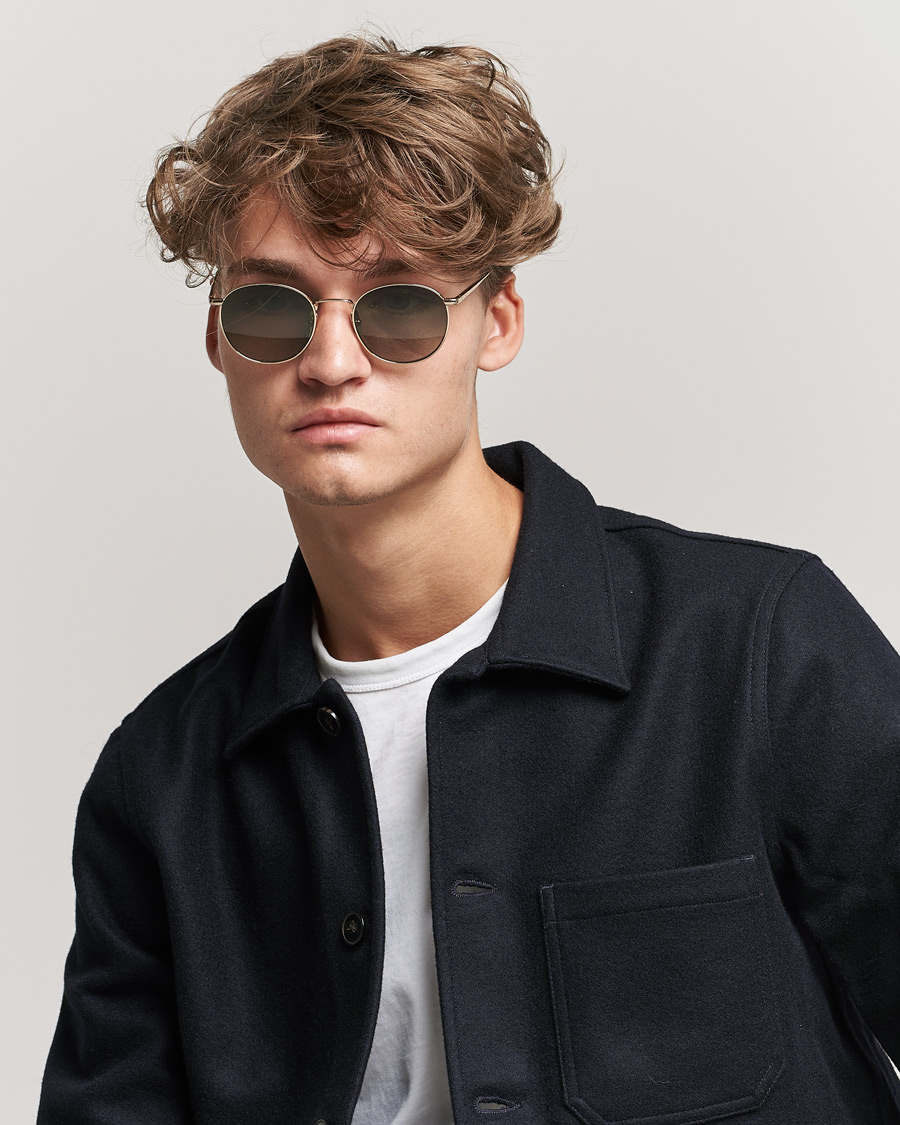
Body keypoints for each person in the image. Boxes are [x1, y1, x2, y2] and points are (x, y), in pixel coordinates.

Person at [38, 33, 900, 1125]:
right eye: (273, 308)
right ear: (220, 340)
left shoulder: (758, 648)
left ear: (496, 322)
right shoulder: (160, 779)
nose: (331, 362)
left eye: (398, 304)